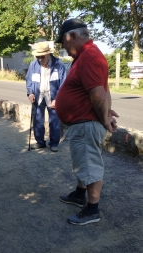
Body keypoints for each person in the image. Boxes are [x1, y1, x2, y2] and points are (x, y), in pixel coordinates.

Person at [55, 19, 119, 225]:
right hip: (82, 123)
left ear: (72, 36)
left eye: (63, 43)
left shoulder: (89, 56)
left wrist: (105, 118)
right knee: (83, 162)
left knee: (89, 165)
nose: (63, 48)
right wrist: (107, 113)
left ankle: (92, 209)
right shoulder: (88, 55)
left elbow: (99, 95)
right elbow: (104, 90)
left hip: (85, 124)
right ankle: (79, 194)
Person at [26, 41, 66, 152]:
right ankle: (40, 142)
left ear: (48, 54)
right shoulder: (33, 65)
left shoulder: (59, 65)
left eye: (41, 56)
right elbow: (29, 80)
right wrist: (30, 93)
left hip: (53, 97)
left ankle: (53, 143)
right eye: (37, 56)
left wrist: (58, 99)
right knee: (38, 120)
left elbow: (64, 83)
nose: (39, 59)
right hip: (38, 96)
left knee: (54, 121)